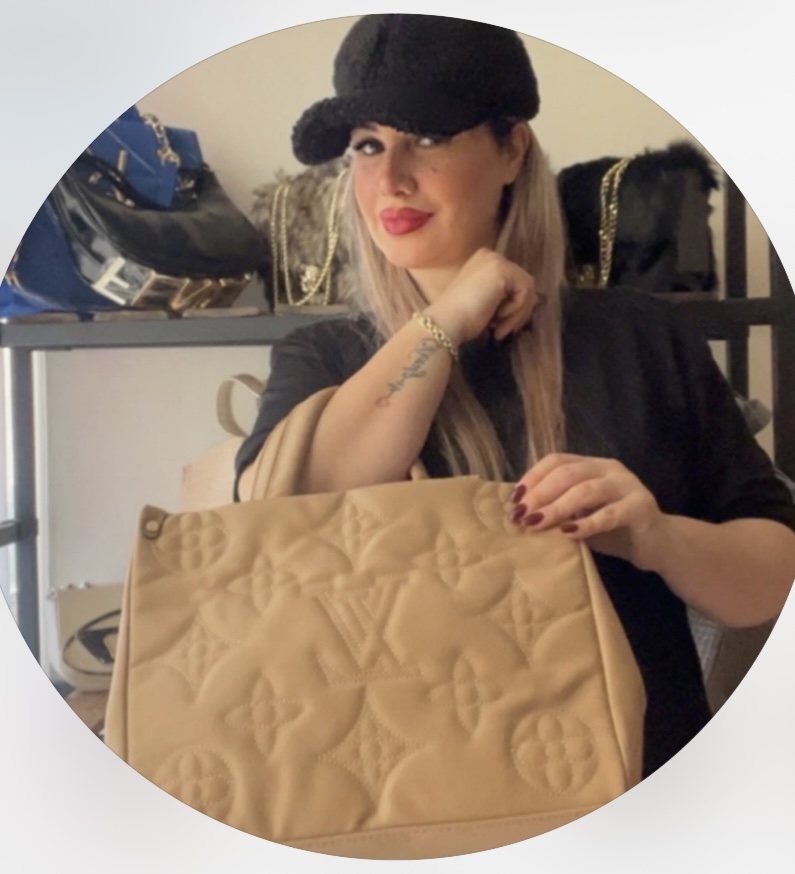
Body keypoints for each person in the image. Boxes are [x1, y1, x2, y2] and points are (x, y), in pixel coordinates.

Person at [235, 14, 795, 776]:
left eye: (426, 136)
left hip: (639, 772)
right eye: (367, 145)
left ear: (512, 149)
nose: (390, 177)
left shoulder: (638, 335)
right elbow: (279, 514)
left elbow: (771, 576)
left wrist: (654, 538)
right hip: (406, 788)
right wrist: (446, 318)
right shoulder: (325, 357)